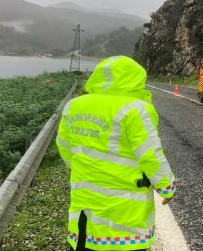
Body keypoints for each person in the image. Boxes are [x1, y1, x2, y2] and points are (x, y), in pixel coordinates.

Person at [56, 56, 177, 251]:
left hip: (84, 209)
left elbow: (63, 146)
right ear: (135, 79)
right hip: (125, 218)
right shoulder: (137, 109)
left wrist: (86, 170)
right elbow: (150, 155)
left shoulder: (74, 105)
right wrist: (166, 187)